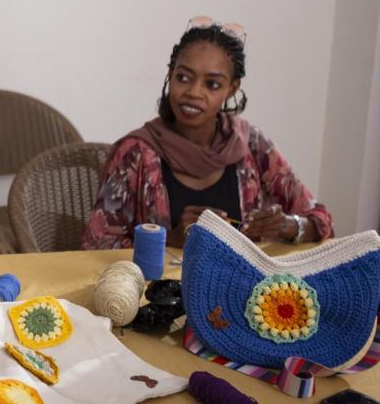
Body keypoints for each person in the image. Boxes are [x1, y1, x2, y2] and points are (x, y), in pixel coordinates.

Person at [83, 16, 333, 249]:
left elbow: (321, 220)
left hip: (245, 291)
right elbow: (96, 243)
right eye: (183, 77)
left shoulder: (252, 145)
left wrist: (290, 226)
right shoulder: (135, 153)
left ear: (232, 88)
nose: (194, 92)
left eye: (212, 84)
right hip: (162, 294)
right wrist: (171, 239)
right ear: (170, 75)